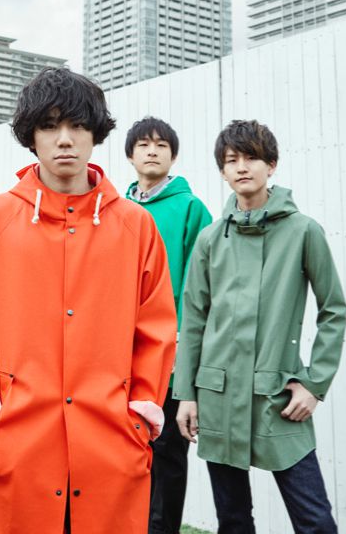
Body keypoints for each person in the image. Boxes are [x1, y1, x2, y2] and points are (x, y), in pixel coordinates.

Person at [0, 68, 177, 534]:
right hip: (18, 442)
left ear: (96, 133)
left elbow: (156, 329)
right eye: (49, 126)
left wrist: (140, 413)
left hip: (110, 442)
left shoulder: (136, 226)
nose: (64, 139)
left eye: (77, 125)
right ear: (31, 136)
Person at [175, 119, 346, 534]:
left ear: (271, 165)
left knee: (315, 522)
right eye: (231, 160)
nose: (241, 167)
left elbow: (333, 310)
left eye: (251, 157)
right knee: (233, 521)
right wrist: (186, 395)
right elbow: (194, 318)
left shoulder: (303, 230)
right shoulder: (210, 239)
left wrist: (314, 384)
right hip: (217, 396)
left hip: (278, 396)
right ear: (222, 171)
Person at [125, 116, 211, 534]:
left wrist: (185, 347)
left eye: (162, 146)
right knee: (126, 453)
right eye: (144, 145)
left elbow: (202, 286)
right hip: (120, 357)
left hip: (170, 357)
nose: (152, 151)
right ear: (130, 156)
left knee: (168, 455)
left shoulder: (191, 208)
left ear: (173, 157)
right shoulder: (116, 210)